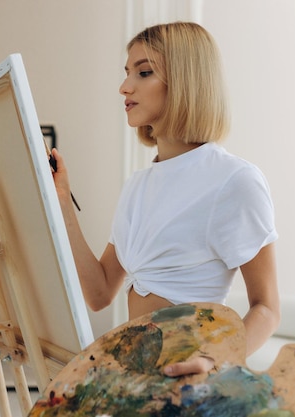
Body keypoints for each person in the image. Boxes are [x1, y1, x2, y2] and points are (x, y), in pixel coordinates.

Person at [51, 22, 280, 378]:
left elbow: (266, 308)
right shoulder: (137, 186)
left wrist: (215, 360)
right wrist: (62, 201)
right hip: (137, 378)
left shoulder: (234, 181)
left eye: (143, 72)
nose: (124, 87)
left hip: (188, 383)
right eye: (127, 73)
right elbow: (99, 293)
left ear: (186, 80)